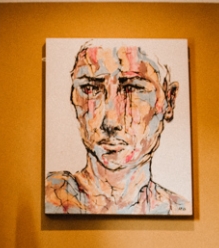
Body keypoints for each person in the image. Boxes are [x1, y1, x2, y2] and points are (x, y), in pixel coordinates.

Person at [45, 43, 189, 215]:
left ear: (169, 100)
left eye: (133, 89)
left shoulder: (178, 209)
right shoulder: (51, 198)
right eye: (90, 89)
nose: (110, 121)